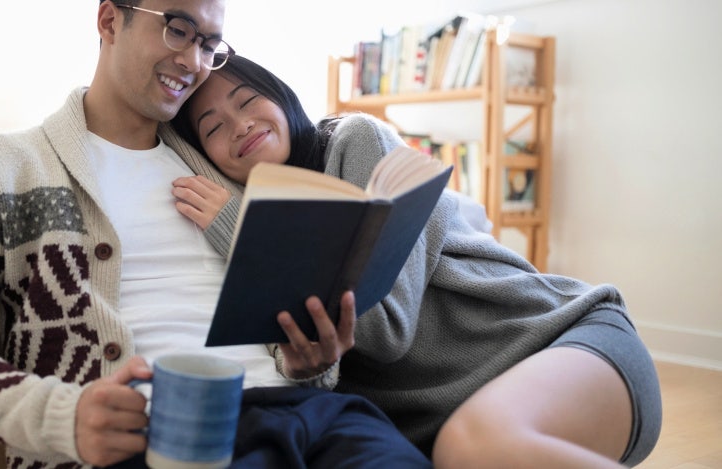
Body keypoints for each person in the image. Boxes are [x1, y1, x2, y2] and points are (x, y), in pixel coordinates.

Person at [0, 2, 431, 468]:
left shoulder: (224, 164)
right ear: (109, 19)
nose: (194, 62)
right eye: (177, 27)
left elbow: (288, 324)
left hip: (317, 418)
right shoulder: (6, 169)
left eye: (210, 42)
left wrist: (308, 363)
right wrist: (62, 415)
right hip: (159, 435)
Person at [168, 54, 663, 468]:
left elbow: (387, 328)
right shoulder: (244, 254)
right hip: (454, 425)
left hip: (556, 343)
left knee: (471, 445)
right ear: (206, 157)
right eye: (213, 128)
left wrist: (238, 230)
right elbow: (319, 372)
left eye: (249, 101)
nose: (241, 125)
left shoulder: (352, 141)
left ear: (281, 95)